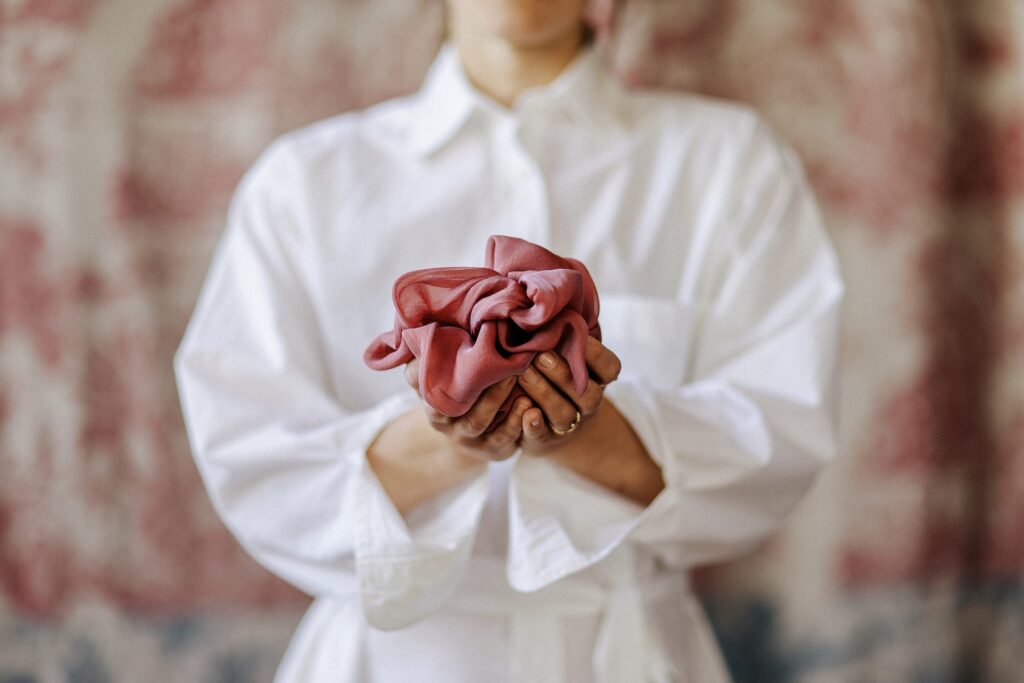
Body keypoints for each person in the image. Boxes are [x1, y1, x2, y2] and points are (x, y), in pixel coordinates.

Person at [173, 0, 845, 681]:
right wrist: (447, 441)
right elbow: (252, 458)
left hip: (628, 653)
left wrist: (590, 435)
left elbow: (781, 431)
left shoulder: (728, 167)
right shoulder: (304, 187)